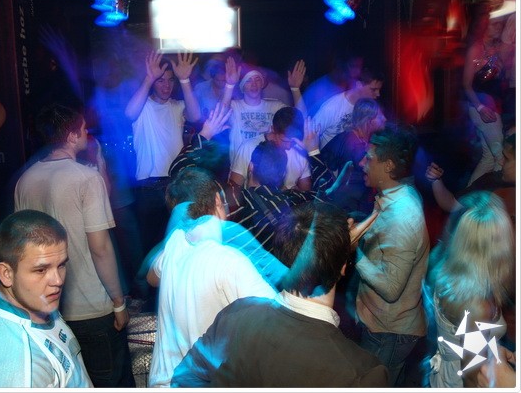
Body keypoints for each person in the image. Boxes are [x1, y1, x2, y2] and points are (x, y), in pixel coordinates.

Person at [171, 201, 387, 388]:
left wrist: (336, 249)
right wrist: (339, 251)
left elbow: (184, 378)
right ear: (342, 268)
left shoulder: (237, 313)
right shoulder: (362, 373)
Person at [14, 103, 135, 387]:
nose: (86, 133)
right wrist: (118, 302)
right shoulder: (86, 178)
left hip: (47, 310)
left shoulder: (25, 180)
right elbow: (100, 248)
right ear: (71, 136)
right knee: (112, 381)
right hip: (90, 308)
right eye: (82, 129)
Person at [146, 167, 277, 387]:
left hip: (162, 383)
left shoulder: (175, 243)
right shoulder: (228, 261)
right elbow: (279, 321)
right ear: (217, 199)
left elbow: (151, 277)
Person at [0, 209, 92, 387]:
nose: (58, 280)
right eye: (41, 270)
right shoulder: (19, 369)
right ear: (6, 274)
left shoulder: (37, 303)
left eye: (61, 265)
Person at [354, 123, 430, 387]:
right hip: (381, 324)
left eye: (369, 158)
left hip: (388, 332)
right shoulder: (398, 193)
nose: (362, 163)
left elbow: (390, 288)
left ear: (388, 166)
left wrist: (353, 252)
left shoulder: (401, 216)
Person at [425, 192, 514, 388]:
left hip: (444, 371)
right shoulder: (477, 307)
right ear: (498, 248)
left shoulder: (444, 264)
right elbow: (472, 379)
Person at [125, 51, 201, 257]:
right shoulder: (143, 106)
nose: (166, 86)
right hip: (148, 187)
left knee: (179, 244)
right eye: (161, 80)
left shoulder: (176, 106)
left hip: (176, 184)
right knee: (151, 248)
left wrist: (184, 80)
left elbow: (195, 116)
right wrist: (149, 78)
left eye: (170, 80)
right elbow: (129, 113)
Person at [462, 0, 515, 185]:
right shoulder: (475, 49)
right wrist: (481, 108)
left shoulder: (495, 49)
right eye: (495, 24)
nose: (498, 26)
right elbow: (466, 85)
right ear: (484, 26)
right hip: (480, 108)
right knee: (501, 158)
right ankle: (496, 197)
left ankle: (465, 197)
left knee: (488, 158)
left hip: (492, 107)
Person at [222, 57, 307, 160]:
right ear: (242, 86)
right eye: (248, 80)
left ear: (262, 84)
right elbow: (221, 115)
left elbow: (301, 118)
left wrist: (295, 89)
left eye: (257, 79)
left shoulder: (275, 106)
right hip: (241, 165)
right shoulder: (235, 106)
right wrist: (230, 85)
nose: (254, 84)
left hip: (268, 166)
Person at [320, 97, 387, 215]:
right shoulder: (352, 143)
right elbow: (322, 164)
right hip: (348, 208)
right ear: (369, 121)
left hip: (354, 204)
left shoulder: (351, 137)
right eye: (380, 116)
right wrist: (335, 186)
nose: (385, 119)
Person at [229, 106, 311, 191]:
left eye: (293, 141)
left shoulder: (301, 152)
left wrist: (296, 193)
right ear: (273, 129)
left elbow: (307, 193)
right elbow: (233, 190)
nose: (289, 146)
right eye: (285, 141)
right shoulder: (248, 147)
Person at [313, 66, 383, 149]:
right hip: (330, 156)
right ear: (359, 85)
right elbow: (310, 135)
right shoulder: (332, 107)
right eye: (373, 90)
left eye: (379, 90)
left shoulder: (368, 107)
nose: (378, 94)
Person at [303, 50, 364, 116]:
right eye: (353, 66)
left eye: (359, 67)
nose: (358, 72)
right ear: (339, 65)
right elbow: (302, 119)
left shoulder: (357, 87)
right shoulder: (315, 92)